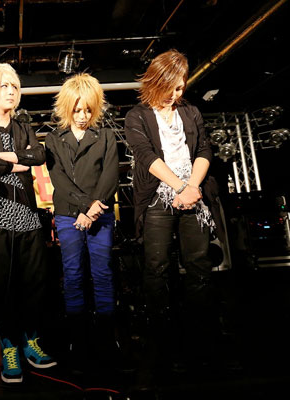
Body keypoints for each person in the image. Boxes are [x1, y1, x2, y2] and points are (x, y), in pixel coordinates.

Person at [123, 49, 218, 388]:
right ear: (155, 80)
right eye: (170, 87)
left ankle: (201, 340)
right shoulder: (136, 116)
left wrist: (191, 187)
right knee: (157, 268)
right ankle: (162, 342)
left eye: (181, 87)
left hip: (192, 193)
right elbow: (146, 156)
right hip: (158, 198)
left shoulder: (190, 112)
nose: (176, 94)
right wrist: (179, 187)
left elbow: (204, 149)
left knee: (199, 265)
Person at [0, 63, 56, 383]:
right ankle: (9, 346)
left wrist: (3, 158)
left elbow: (39, 156)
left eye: (15, 87)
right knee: (1, 286)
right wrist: (18, 160)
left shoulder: (23, 126)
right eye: (4, 86)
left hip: (27, 216)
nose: (11, 92)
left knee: (34, 283)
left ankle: (31, 341)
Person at [45, 73, 119, 371]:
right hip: (68, 215)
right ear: (67, 107)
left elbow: (110, 174)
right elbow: (59, 180)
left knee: (103, 274)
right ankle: (77, 337)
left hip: (101, 213)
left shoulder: (106, 136)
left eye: (88, 110)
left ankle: (107, 336)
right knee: (73, 274)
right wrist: (84, 207)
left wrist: (93, 209)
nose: (82, 116)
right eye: (77, 110)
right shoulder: (53, 138)